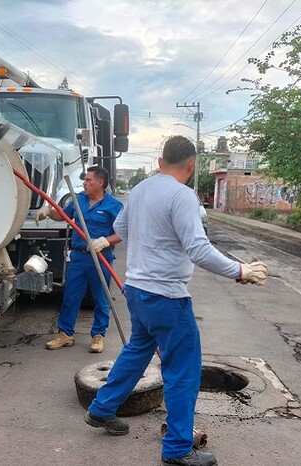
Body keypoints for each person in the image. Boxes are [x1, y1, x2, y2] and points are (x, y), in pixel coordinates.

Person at [83, 136, 268, 466]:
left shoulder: (139, 190)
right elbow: (198, 249)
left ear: (160, 162)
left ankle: (101, 408)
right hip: (167, 297)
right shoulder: (182, 195)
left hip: (138, 292)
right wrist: (239, 270)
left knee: (137, 350)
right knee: (183, 370)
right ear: (192, 164)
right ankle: (178, 447)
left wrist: (117, 239)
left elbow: (120, 228)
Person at [35, 165, 123, 353]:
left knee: (101, 298)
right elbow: (63, 216)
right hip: (79, 256)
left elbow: (123, 233)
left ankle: (98, 335)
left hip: (100, 257)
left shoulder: (114, 205)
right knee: (71, 297)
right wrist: (49, 211)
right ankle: (65, 334)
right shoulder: (78, 200)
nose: (84, 183)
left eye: (89, 180)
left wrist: (105, 241)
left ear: (100, 183)